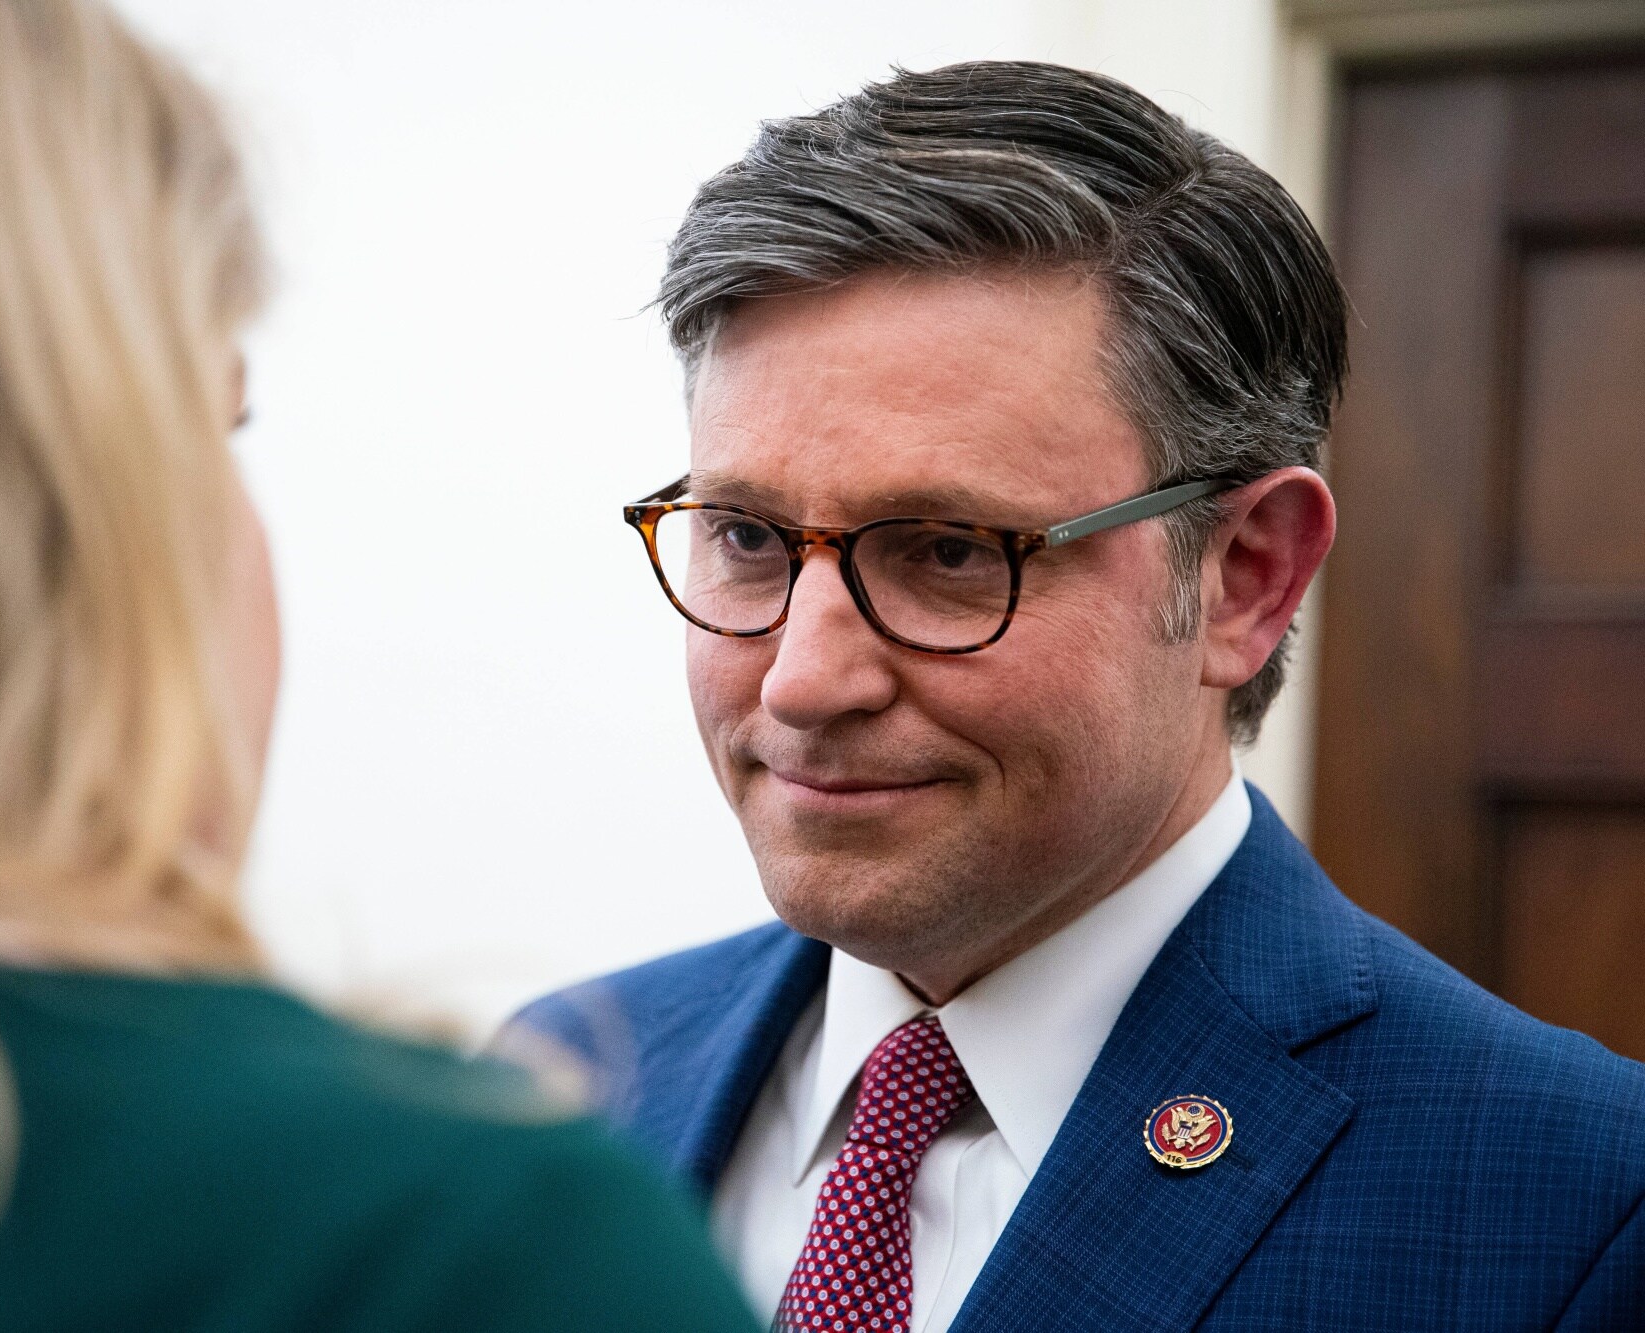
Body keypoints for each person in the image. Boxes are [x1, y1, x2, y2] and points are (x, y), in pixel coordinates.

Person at [0, 3, 763, 1330]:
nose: (808, 675)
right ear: (53, 500)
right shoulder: (456, 1240)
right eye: (213, 421)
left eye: (947, 551)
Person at [511, 62, 1645, 1331]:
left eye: (947, 551)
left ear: (1241, 577)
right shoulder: (546, 1090)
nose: (801, 678)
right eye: (744, 537)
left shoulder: (1578, 1213)